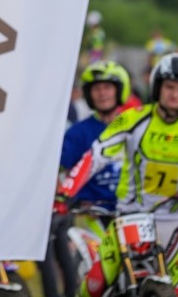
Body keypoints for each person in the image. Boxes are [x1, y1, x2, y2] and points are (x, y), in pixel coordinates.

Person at [55, 54, 178, 297]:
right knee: (94, 285)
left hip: (175, 222)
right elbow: (94, 157)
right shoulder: (131, 119)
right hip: (131, 216)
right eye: (169, 87)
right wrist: (66, 191)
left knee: (176, 292)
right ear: (157, 88)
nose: (174, 94)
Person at [42, 61, 133, 297]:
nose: (102, 93)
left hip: (128, 214)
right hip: (89, 216)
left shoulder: (134, 128)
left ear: (119, 90)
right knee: (93, 273)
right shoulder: (78, 133)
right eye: (96, 88)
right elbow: (54, 169)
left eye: (107, 87)